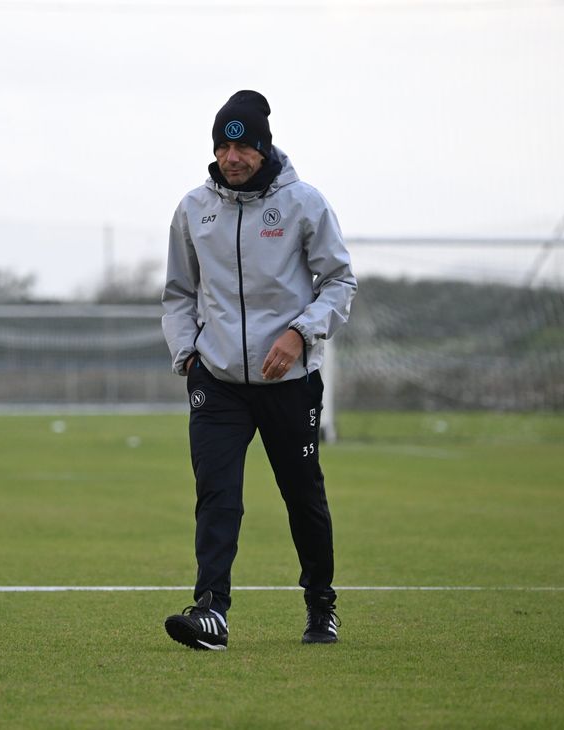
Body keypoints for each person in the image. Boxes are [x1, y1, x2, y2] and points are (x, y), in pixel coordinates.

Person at [161, 90, 357, 650]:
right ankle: (211, 612)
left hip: (288, 385)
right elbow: (179, 292)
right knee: (217, 496)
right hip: (217, 383)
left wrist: (301, 333)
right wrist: (188, 355)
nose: (232, 157)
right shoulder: (193, 209)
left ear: (263, 147)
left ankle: (321, 604)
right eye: (222, 147)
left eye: (242, 147)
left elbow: (339, 281)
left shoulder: (304, 204)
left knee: (302, 497)